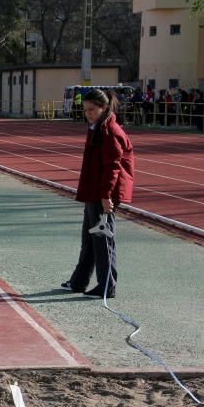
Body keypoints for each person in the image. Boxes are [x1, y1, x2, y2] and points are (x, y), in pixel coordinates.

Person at [61, 88, 134, 299]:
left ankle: (107, 286)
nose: (88, 114)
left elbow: (113, 167)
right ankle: (79, 281)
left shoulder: (110, 131)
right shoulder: (97, 127)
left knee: (102, 240)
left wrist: (106, 196)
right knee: (90, 237)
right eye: (85, 110)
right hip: (94, 190)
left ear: (103, 108)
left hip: (104, 193)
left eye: (92, 110)